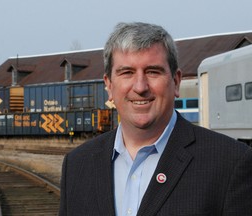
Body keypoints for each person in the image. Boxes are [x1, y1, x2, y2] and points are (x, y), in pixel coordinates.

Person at [59, 22, 252, 216]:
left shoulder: (230, 164)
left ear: (176, 82)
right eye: (127, 72)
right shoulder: (76, 166)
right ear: (109, 85)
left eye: (153, 71)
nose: (140, 87)